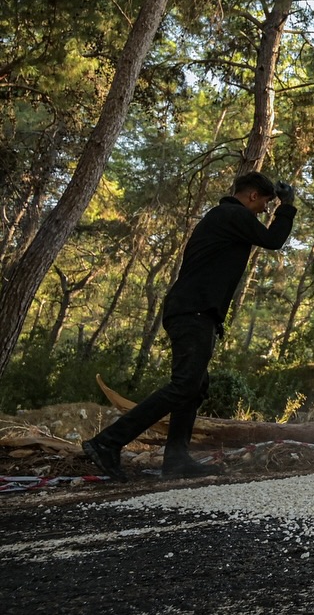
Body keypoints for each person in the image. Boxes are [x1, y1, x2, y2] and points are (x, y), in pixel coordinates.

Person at [82, 171, 297, 481]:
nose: (265, 210)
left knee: (194, 386)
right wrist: (287, 205)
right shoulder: (231, 214)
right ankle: (107, 442)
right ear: (252, 196)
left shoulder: (223, 217)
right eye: (264, 203)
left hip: (194, 312)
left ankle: (177, 459)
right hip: (192, 311)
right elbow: (273, 240)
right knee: (184, 384)